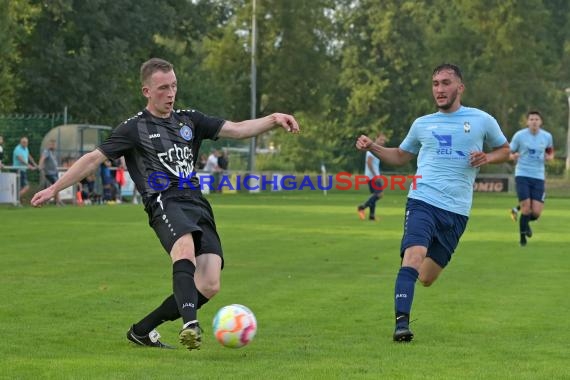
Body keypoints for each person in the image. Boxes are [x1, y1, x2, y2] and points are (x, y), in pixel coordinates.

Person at [31, 57, 300, 351]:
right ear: (146, 91)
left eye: (174, 86)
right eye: (162, 88)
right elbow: (93, 159)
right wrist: (55, 187)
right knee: (183, 247)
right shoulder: (133, 128)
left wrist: (273, 119)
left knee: (210, 283)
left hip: (197, 202)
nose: (170, 93)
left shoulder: (189, 120)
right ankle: (190, 325)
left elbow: (237, 129)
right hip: (163, 201)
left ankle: (142, 330)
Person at [356, 63, 510, 342]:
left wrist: (488, 158)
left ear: (460, 87)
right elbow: (401, 157)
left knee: (426, 277)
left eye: (446, 83)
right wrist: (372, 147)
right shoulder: (422, 124)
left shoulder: (481, 120)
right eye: (435, 83)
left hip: (457, 211)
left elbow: (505, 150)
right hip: (422, 200)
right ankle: (401, 325)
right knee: (413, 257)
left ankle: (409, 272)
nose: (439, 89)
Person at [508, 111, 554, 246]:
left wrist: (549, 157)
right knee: (526, 208)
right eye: (531, 119)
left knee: (536, 213)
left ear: (541, 122)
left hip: (538, 176)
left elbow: (550, 151)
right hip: (522, 174)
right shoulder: (519, 135)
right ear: (527, 122)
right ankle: (522, 238)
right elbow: (509, 152)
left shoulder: (547, 136)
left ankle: (521, 217)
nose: (534, 121)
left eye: (536, 119)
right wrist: (512, 156)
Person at [357, 133, 387, 221]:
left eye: (384, 140)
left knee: (374, 195)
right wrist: (375, 175)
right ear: (376, 139)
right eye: (381, 139)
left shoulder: (376, 150)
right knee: (379, 194)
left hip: (373, 176)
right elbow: (369, 163)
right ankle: (362, 207)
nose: (383, 142)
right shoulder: (371, 149)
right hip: (373, 177)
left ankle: (371, 216)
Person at [39, 139, 63, 205]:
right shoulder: (46, 151)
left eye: (54, 144)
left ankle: (57, 201)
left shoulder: (53, 152)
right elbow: (42, 158)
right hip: (49, 173)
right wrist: (40, 166)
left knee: (55, 186)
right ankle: (58, 202)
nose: (54, 146)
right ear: (49, 145)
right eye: (52, 144)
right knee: (56, 186)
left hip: (54, 172)